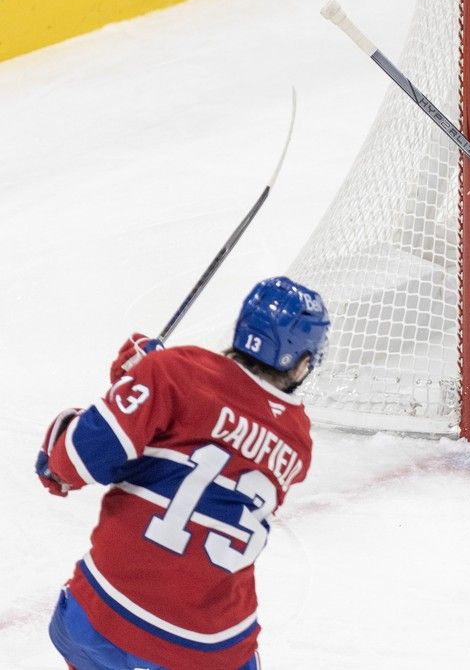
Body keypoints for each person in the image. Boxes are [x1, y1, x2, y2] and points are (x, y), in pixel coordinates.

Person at [35, 276, 331, 670]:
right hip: (206, 651)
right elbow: (223, 434)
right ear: (303, 363)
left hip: (98, 624)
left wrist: (136, 384)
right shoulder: (298, 442)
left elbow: (70, 465)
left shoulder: (173, 372)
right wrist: (152, 380)